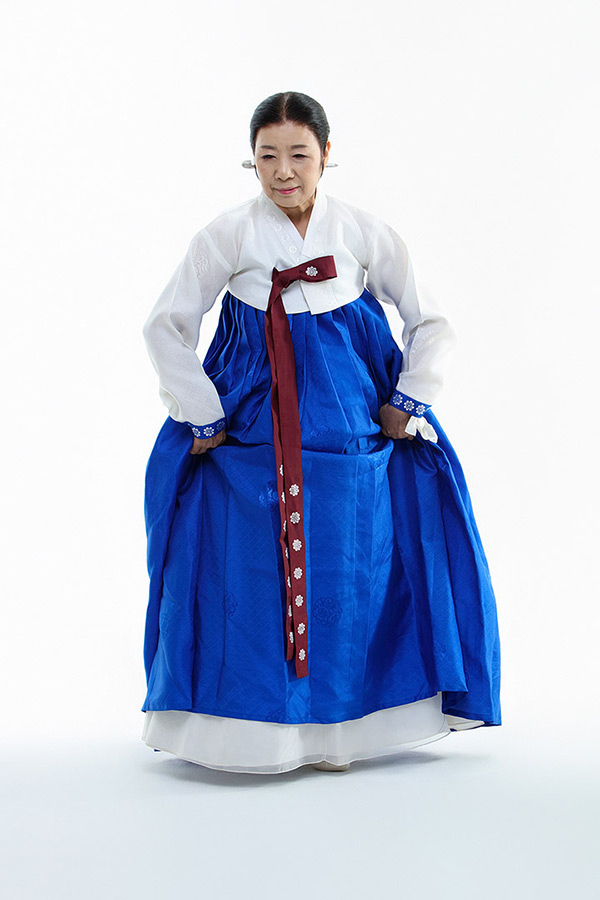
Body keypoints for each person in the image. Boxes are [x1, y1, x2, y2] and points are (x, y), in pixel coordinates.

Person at [140, 91, 502, 775]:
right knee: (248, 574)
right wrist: (202, 413)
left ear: (327, 155)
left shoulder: (363, 231)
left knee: (350, 573)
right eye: (267, 156)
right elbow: (166, 325)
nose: (283, 171)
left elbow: (432, 320)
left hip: (349, 431)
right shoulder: (227, 235)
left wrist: (407, 401)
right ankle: (253, 734)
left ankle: (343, 732)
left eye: (299, 155)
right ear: (251, 161)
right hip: (251, 430)